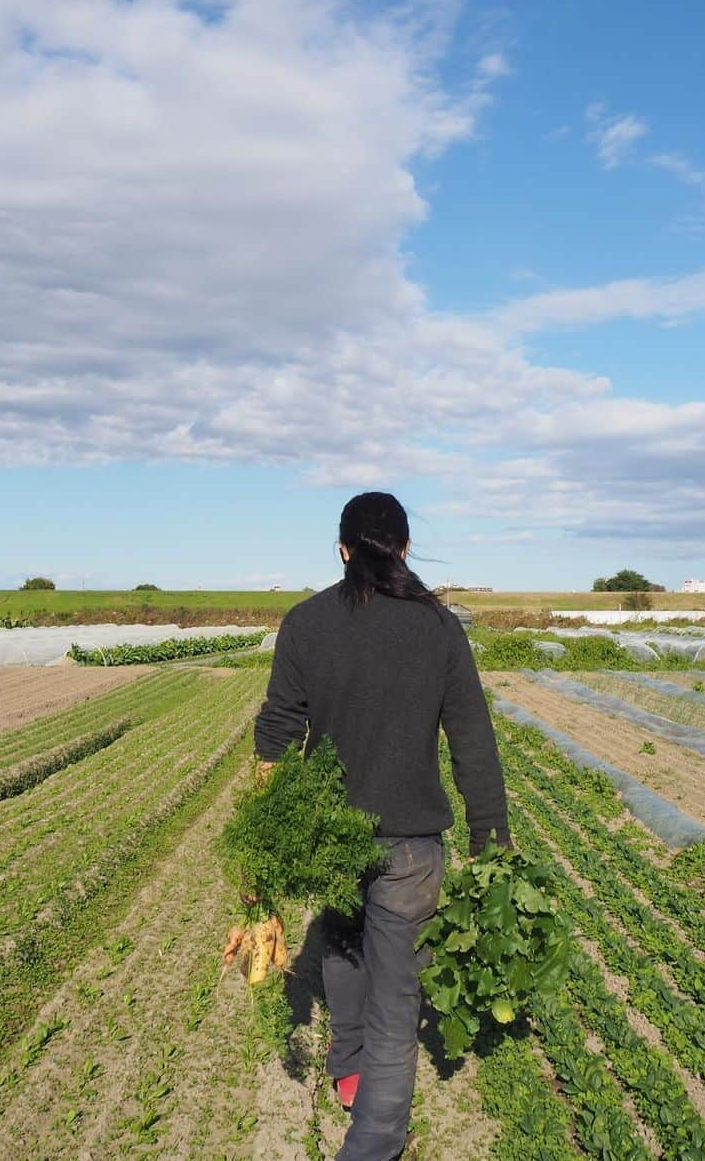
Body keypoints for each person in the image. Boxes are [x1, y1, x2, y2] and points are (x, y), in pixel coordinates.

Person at [254, 491, 511, 1161]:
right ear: (402, 547)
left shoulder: (305, 623)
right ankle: (371, 1142)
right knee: (397, 1003)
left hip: (328, 836)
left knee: (340, 944)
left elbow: (277, 734)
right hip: (411, 848)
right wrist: (491, 841)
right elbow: (473, 744)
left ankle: (348, 1071)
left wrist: (262, 838)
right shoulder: (440, 628)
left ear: (342, 549)